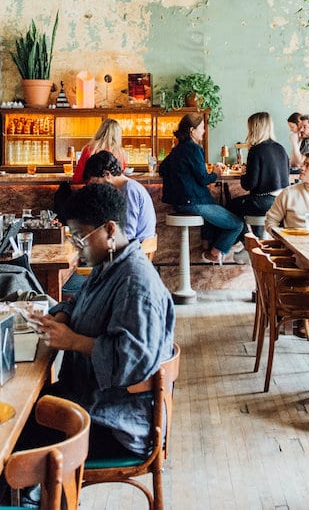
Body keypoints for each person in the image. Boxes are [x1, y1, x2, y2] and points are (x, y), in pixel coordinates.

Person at [28, 183, 174, 458]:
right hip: (89, 398)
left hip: (120, 423)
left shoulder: (135, 283)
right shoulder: (108, 264)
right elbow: (79, 303)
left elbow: (132, 360)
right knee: (22, 413)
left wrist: (72, 341)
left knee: (15, 438)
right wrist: (59, 318)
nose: (76, 247)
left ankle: (39, 497)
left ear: (109, 229)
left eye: (80, 237)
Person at [159, 112, 243, 264]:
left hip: (179, 203)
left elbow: (162, 169)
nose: (204, 131)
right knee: (237, 224)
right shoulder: (194, 149)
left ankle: (206, 244)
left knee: (213, 207)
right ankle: (212, 253)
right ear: (192, 130)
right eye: (202, 128)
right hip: (193, 202)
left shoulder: (178, 148)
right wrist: (216, 173)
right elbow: (204, 179)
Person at [226, 112, 289, 237]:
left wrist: (244, 174)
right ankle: (258, 242)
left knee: (230, 206)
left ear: (254, 129)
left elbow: (249, 185)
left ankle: (247, 244)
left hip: (263, 202)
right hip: (281, 201)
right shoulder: (281, 148)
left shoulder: (256, 150)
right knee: (249, 205)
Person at [83, 150, 156, 242]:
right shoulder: (124, 188)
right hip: (134, 246)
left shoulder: (129, 190)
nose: (96, 189)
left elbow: (127, 234)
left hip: (135, 249)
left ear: (107, 175)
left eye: (96, 184)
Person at [73, 118, 127, 184]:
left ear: (100, 131)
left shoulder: (89, 149)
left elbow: (78, 178)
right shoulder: (121, 153)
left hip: (92, 191)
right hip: (114, 191)